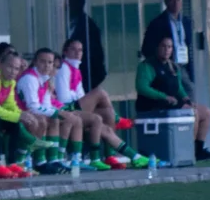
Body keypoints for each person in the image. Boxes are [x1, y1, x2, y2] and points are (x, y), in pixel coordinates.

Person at [56, 38, 145, 170]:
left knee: (107, 116)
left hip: (75, 107)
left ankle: (126, 157)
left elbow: (80, 95)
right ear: (65, 51)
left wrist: (85, 103)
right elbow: (64, 98)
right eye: (73, 49)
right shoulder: (63, 68)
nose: (77, 53)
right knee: (99, 92)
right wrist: (86, 102)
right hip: (67, 109)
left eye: (80, 50)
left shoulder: (75, 69)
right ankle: (117, 120)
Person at [137, 35, 210, 161]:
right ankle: (187, 150)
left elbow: (178, 87)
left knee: (205, 112)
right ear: (157, 48)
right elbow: (142, 88)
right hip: (155, 106)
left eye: (169, 47)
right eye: (163, 46)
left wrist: (185, 98)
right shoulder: (147, 66)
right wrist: (163, 97)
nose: (166, 49)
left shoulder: (173, 66)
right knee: (192, 113)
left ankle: (198, 150)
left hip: (172, 104)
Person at [0, 50, 51, 179]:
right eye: (9, 67)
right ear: (0, 65)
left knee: (14, 123)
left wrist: (23, 114)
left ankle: (12, 163)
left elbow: (10, 105)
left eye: (16, 68)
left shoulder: (11, 82)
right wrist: (18, 116)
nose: (13, 71)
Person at [17, 48, 84, 173]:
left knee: (56, 119)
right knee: (45, 119)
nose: (47, 66)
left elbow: (46, 105)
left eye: (50, 62)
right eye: (43, 62)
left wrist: (60, 113)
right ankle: (39, 162)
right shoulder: (30, 79)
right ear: (35, 62)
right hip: (21, 115)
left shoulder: (46, 80)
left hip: (31, 114)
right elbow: (33, 107)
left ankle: (54, 160)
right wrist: (58, 112)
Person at [143, 0, 194, 86]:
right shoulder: (157, 23)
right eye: (172, 0)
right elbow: (146, 49)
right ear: (165, 2)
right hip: (167, 68)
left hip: (184, 66)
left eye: (179, 0)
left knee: (190, 93)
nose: (176, 4)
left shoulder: (187, 22)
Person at [67, 0, 107, 93]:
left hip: (86, 74)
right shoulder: (71, 23)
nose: (64, 9)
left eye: (67, 5)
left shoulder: (88, 26)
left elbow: (94, 53)